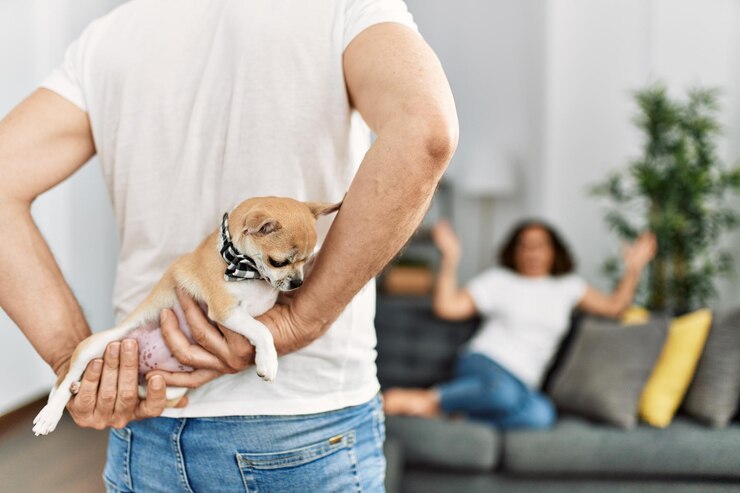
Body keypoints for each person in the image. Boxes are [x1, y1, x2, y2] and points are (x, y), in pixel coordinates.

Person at [0, 1, 458, 491]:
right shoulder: (343, 6)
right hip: (297, 420)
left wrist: (74, 361)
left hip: (144, 425)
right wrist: (302, 317)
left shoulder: (109, 35)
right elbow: (426, 130)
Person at [383, 219, 656, 429]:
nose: (532, 252)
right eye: (524, 245)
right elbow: (447, 308)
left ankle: (453, 412)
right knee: (501, 393)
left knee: (541, 416)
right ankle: (430, 398)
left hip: (524, 381)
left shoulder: (568, 286)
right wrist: (450, 258)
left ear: (553, 251)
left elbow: (614, 307)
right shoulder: (498, 280)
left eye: (540, 245)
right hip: (486, 362)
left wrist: (634, 269)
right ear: (514, 251)